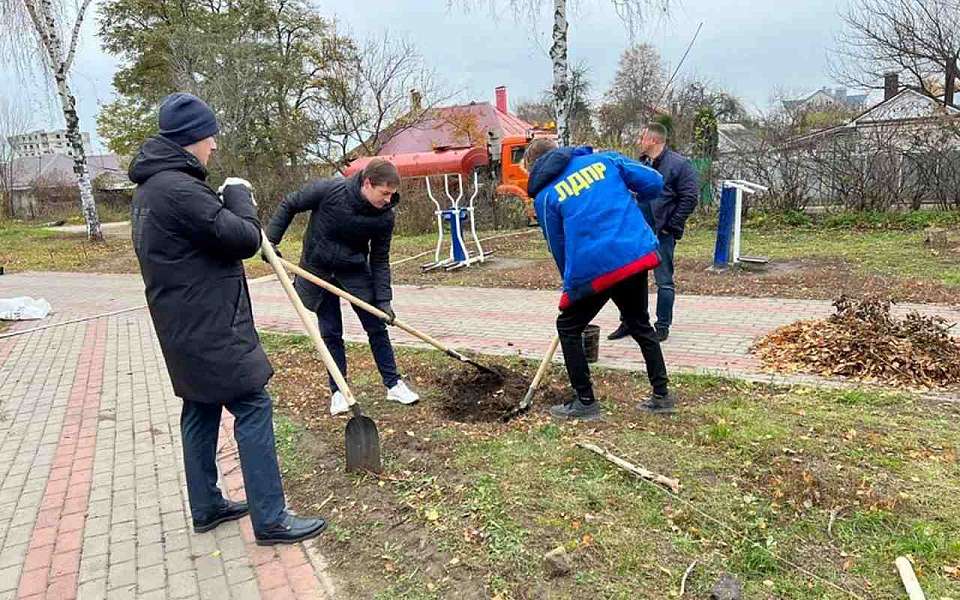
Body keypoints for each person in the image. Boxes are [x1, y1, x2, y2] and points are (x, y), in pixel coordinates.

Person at [129, 92, 326, 545]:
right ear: (190, 139)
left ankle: (206, 505)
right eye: (209, 135)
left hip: (181, 324)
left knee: (199, 407)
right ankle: (272, 519)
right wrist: (239, 196)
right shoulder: (177, 189)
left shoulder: (152, 189)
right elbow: (240, 237)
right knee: (252, 404)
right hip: (211, 324)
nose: (214, 144)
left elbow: (205, 235)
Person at [524, 137, 677, 418]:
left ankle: (585, 401)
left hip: (595, 269)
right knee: (640, 323)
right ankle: (662, 394)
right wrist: (634, 198)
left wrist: (571, 290)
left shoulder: (545, 197)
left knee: (568, 327)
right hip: (633, 255)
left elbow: (558, 247)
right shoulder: (605, 160)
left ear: (533, 168)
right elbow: (654, 182)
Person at [264, 158, 419, 416]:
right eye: (384, 193)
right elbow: (290, 203)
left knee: (376, 326)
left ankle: (393, 385)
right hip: (318, 270)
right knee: (331, 332)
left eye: (392, 194)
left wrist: (384, 300)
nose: (388, 200)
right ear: (368, 184)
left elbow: (380, 260)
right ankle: (338, 392)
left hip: (354, 271)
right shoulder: (330, 191)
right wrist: (270, 242)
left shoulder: (384, 217)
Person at [608, 122, 699, 343]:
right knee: (629, 280)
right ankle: (630, 322)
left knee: (664, 281)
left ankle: (662, 326)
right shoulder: (641, 164)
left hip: (662, 233)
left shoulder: (679, 164)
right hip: (636, 234)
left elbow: (689, 198)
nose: (640, 141)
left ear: (654, 140)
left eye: (643, 137)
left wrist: (671, 225)